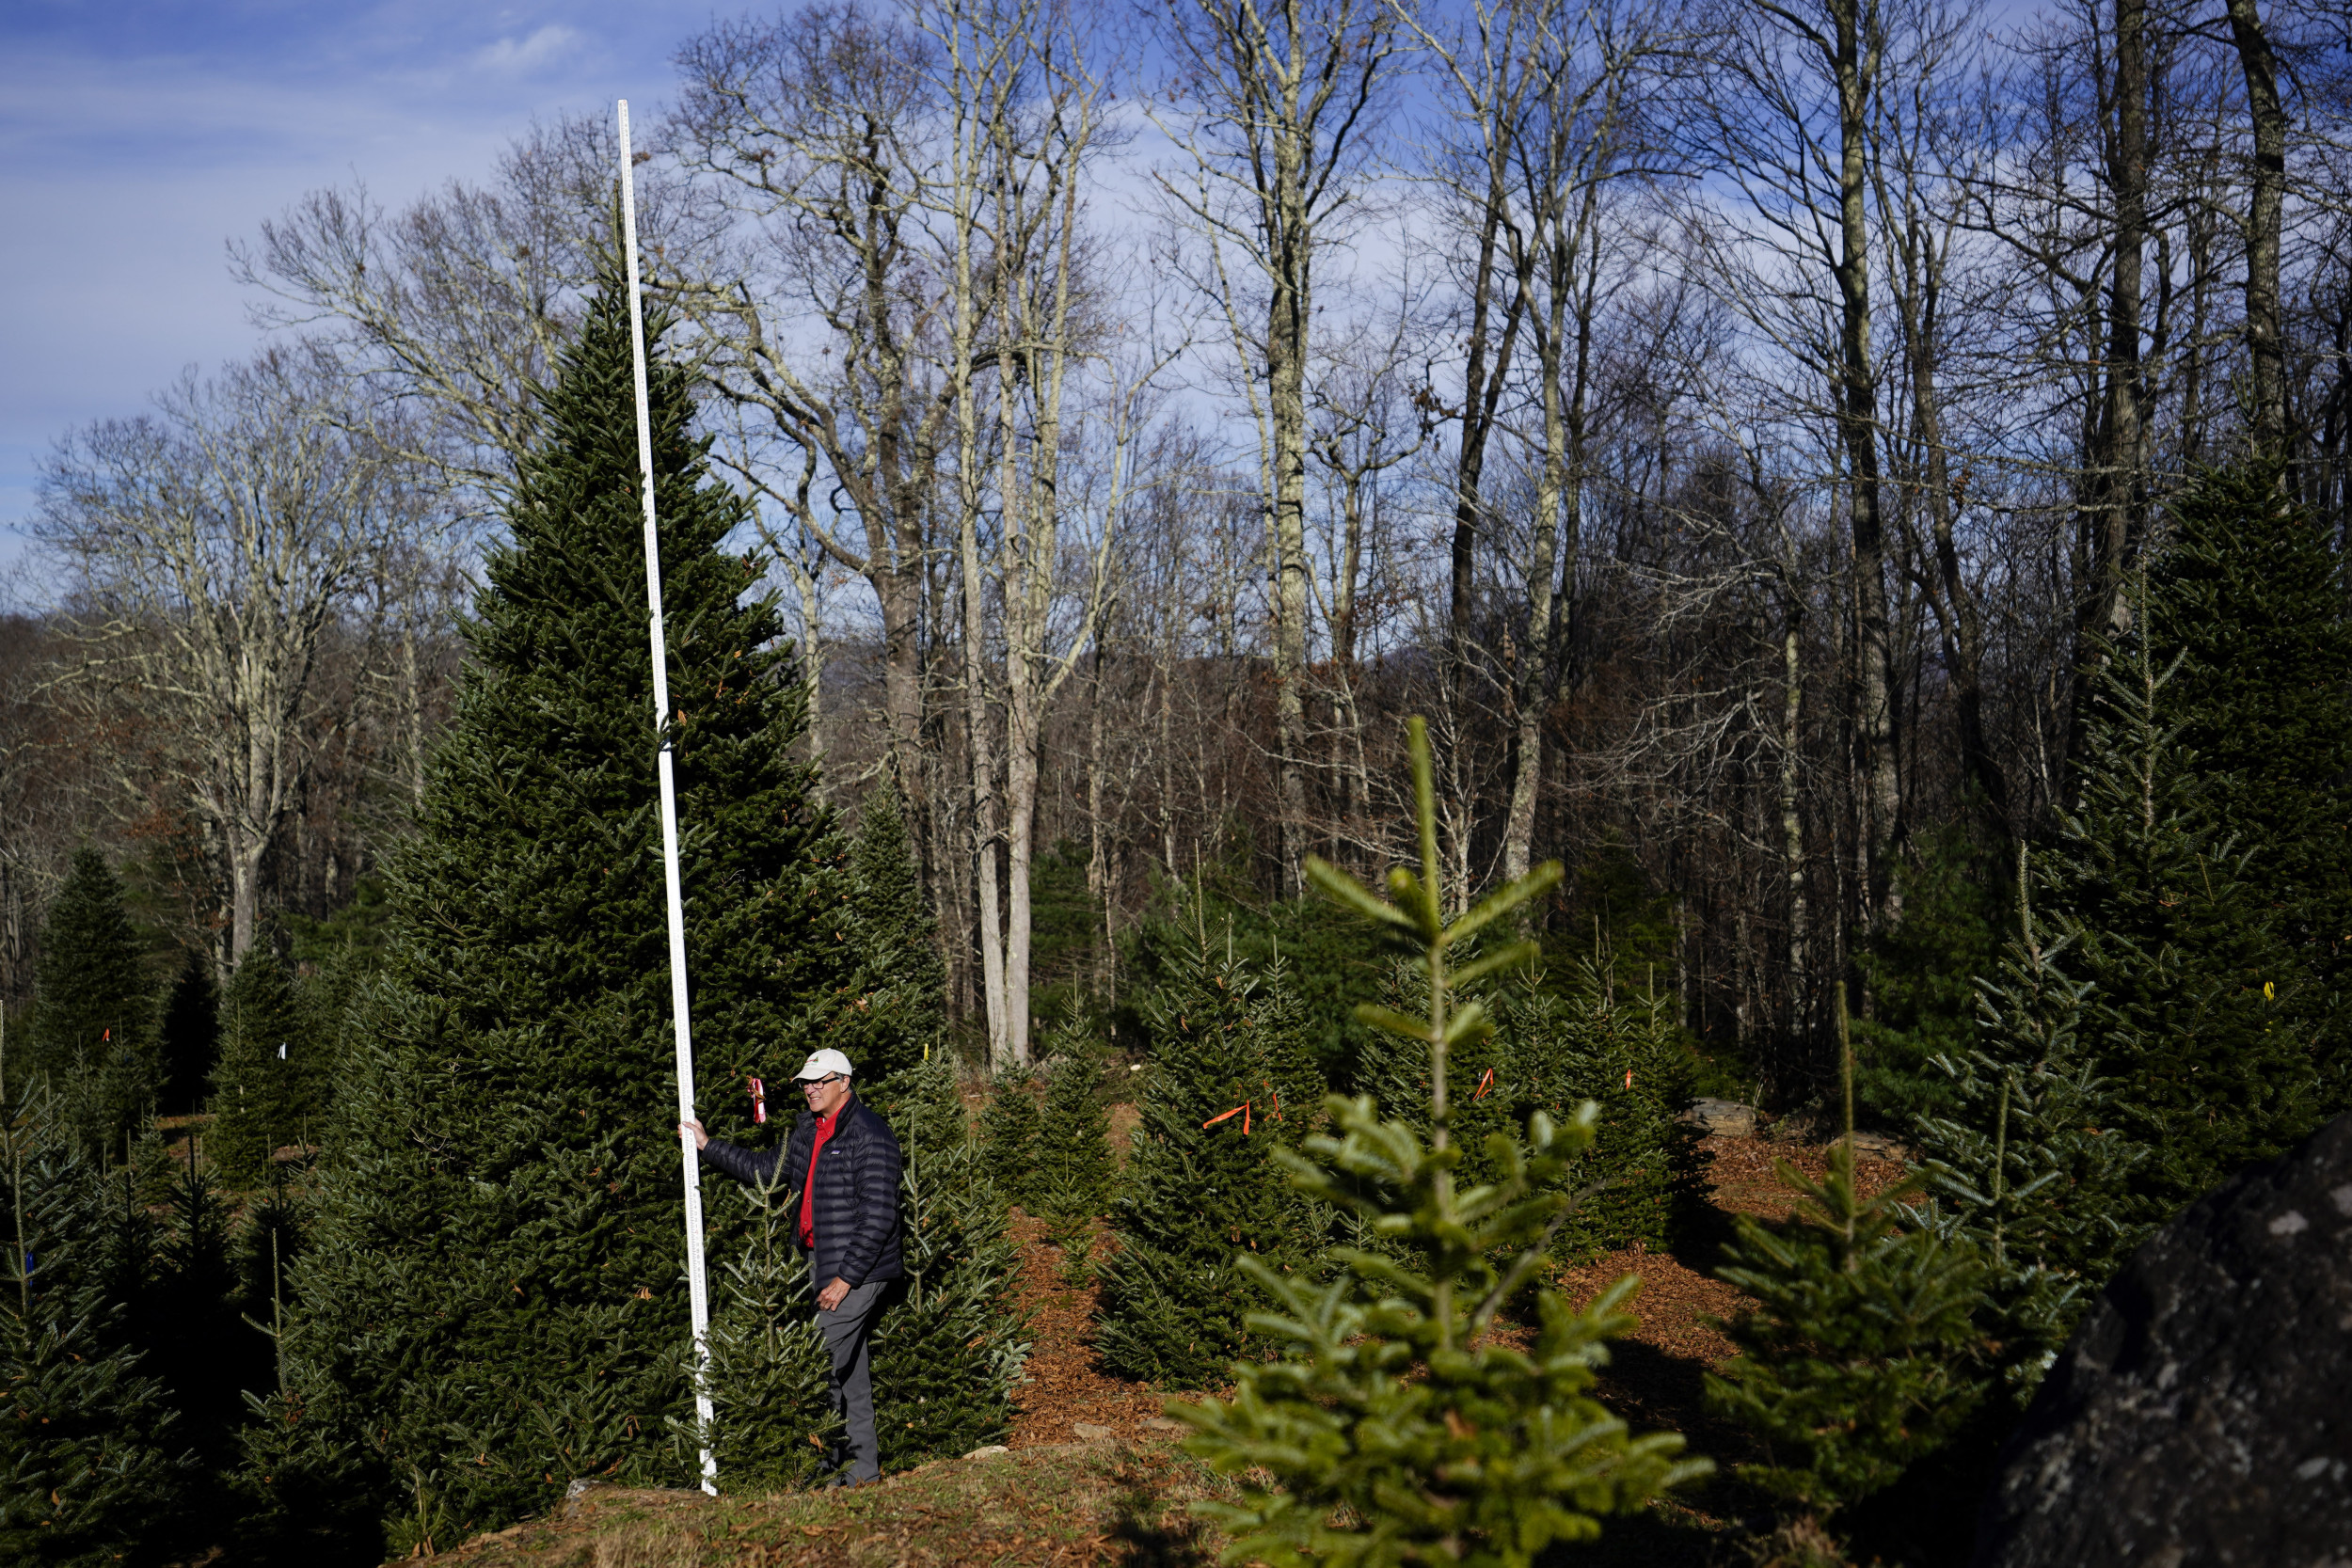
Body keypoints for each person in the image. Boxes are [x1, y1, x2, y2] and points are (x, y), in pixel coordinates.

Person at [682, 1047, 903, 1487]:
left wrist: (845, 1279)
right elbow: (767, 1168)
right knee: (851, 1369)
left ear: (844, 1081)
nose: (812, 1089)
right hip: (820, 1261)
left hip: (856, 1271)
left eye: (821, 1081)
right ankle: (862, 1475)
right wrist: (708, 1147)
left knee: (816, 1363)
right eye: (806, 1082)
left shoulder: (869, 1134)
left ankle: (821, 1476)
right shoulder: (809, 1131)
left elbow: (879, 1214)